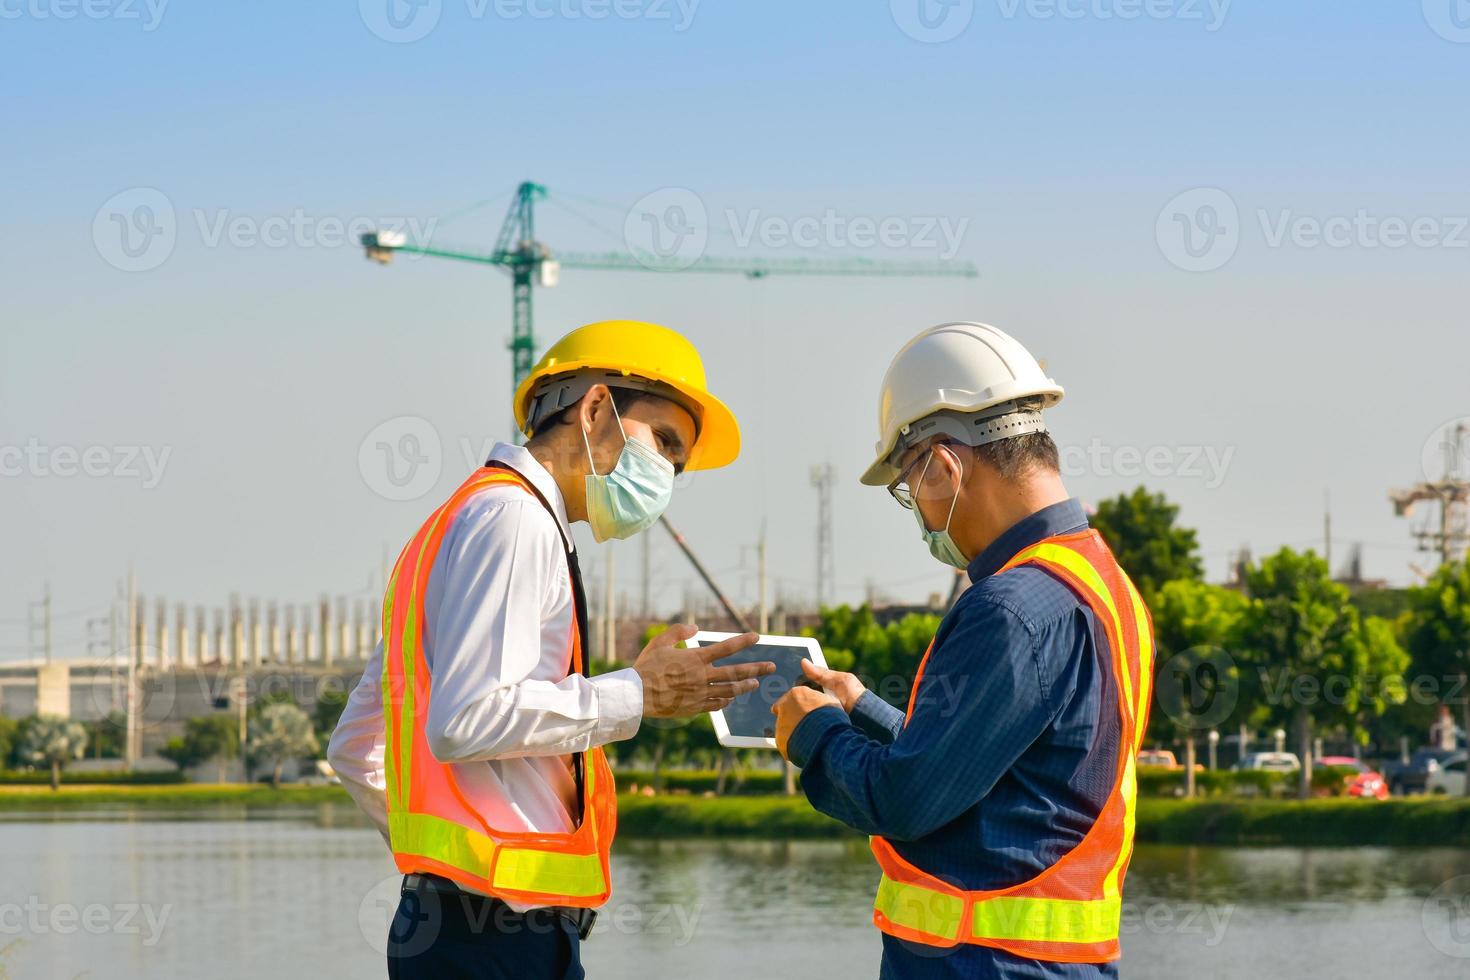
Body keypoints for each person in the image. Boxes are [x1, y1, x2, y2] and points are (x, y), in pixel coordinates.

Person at [329, 319, 772, 980]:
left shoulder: (454, 522)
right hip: (498, 934)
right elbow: (468, 719)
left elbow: (354, 747)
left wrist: (442, 859)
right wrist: (638, 693)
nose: (667, 478)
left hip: (461, 925)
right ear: (595, 409)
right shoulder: (516, 521)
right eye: (664, 444)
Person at [772, 322, 1155, 979]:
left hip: (984, 964)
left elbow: (906, 801)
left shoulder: (1009, 608)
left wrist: (814, 735)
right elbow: (995, 768)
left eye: (909, 488)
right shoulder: (1101, 583)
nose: (918, 514)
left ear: (946, 466)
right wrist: (861, 707)